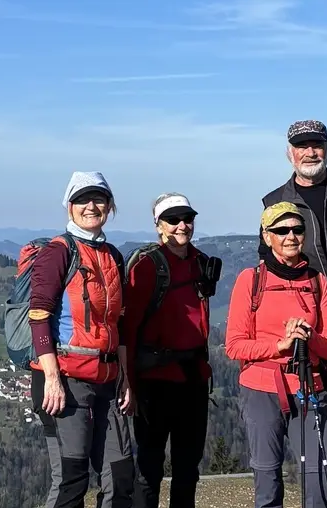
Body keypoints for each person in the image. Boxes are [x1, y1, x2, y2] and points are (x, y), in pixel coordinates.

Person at [261, 119, 327, 506]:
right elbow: (272, 268)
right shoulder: (274, 200)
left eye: (316, 144)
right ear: (290, 152)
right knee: (326, 413)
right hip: (313, 322)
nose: (310, 152)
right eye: (302, 145)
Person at [29, 171, 136, 508]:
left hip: (108, 381)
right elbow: (39, 315)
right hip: (65, 381)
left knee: (120, 479)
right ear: (69, 207)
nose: (91, 206)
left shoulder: (113, 256)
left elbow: (119, 322)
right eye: (82, 199)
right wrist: (52, 378)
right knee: (71, 482)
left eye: (99, 199)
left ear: (110, 206)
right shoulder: (58, 252)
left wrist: (126, 378)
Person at [225, 202, 327, 508]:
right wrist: (280, 345)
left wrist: (308, 337)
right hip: (261, 389)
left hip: (308, 387)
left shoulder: (317, 282)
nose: (290, 236)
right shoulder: (250, 281)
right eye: (281, 230)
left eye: (297, 229)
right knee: (267, 474)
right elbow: (235, 345)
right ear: (267, 237)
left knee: (322, 474)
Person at [122, 193, 219, 508]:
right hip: (155, 380)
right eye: (173, 220)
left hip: (192, 377)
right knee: (149, 469)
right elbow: (130, 328)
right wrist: (130, 385)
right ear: (158, 226)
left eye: (187, 219)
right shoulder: (147, 266)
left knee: (187, 469)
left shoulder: (202, 262)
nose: (182, 226)